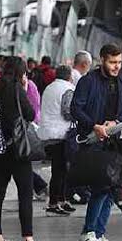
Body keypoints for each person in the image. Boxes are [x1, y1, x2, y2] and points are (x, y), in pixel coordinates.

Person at [0, 57, 50, 241]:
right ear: (21, 73)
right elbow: (29, 114)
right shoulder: (16, 89)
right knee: (25, 194)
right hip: (17, 150)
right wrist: (24, 87)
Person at [72, 44, 122, 241]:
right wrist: (94, 126)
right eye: (112, 62)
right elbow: (76, 108)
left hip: (112, 139)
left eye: (119, 62)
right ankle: (88, 232)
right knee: (101, 186)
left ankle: (98, 233)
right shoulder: (88, 81)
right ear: (102, 61)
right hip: (92, 140)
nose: (117, 67)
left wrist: (116, 121)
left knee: (113, 187)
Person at [38, 65, 77, 216]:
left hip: (48, 133)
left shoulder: (49, 88)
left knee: (60, 169)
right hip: (60, 134)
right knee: (59, 170)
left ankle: (61, 200)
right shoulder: (68, 89)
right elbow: (67, 112)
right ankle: (53, 203)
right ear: (69, 76)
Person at [24, 76, 49, 201]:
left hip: (28, 127)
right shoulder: (15, 87)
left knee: (22, 163)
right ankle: (38, 186)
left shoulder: (30, 86)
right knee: (21, 164)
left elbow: (34, 107)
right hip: (20, 129)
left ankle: (38, 187)